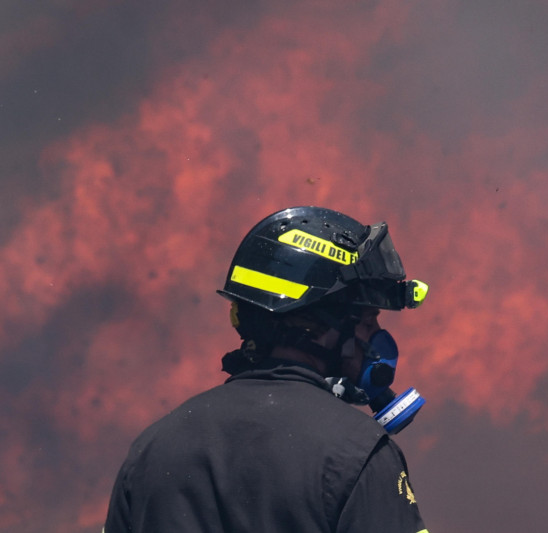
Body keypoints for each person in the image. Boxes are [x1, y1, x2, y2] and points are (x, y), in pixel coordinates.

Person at [104, 206, 431, 533]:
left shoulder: (151, 449)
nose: (373, 335)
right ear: (327, 323)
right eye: (369, 319)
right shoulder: (357, 454)